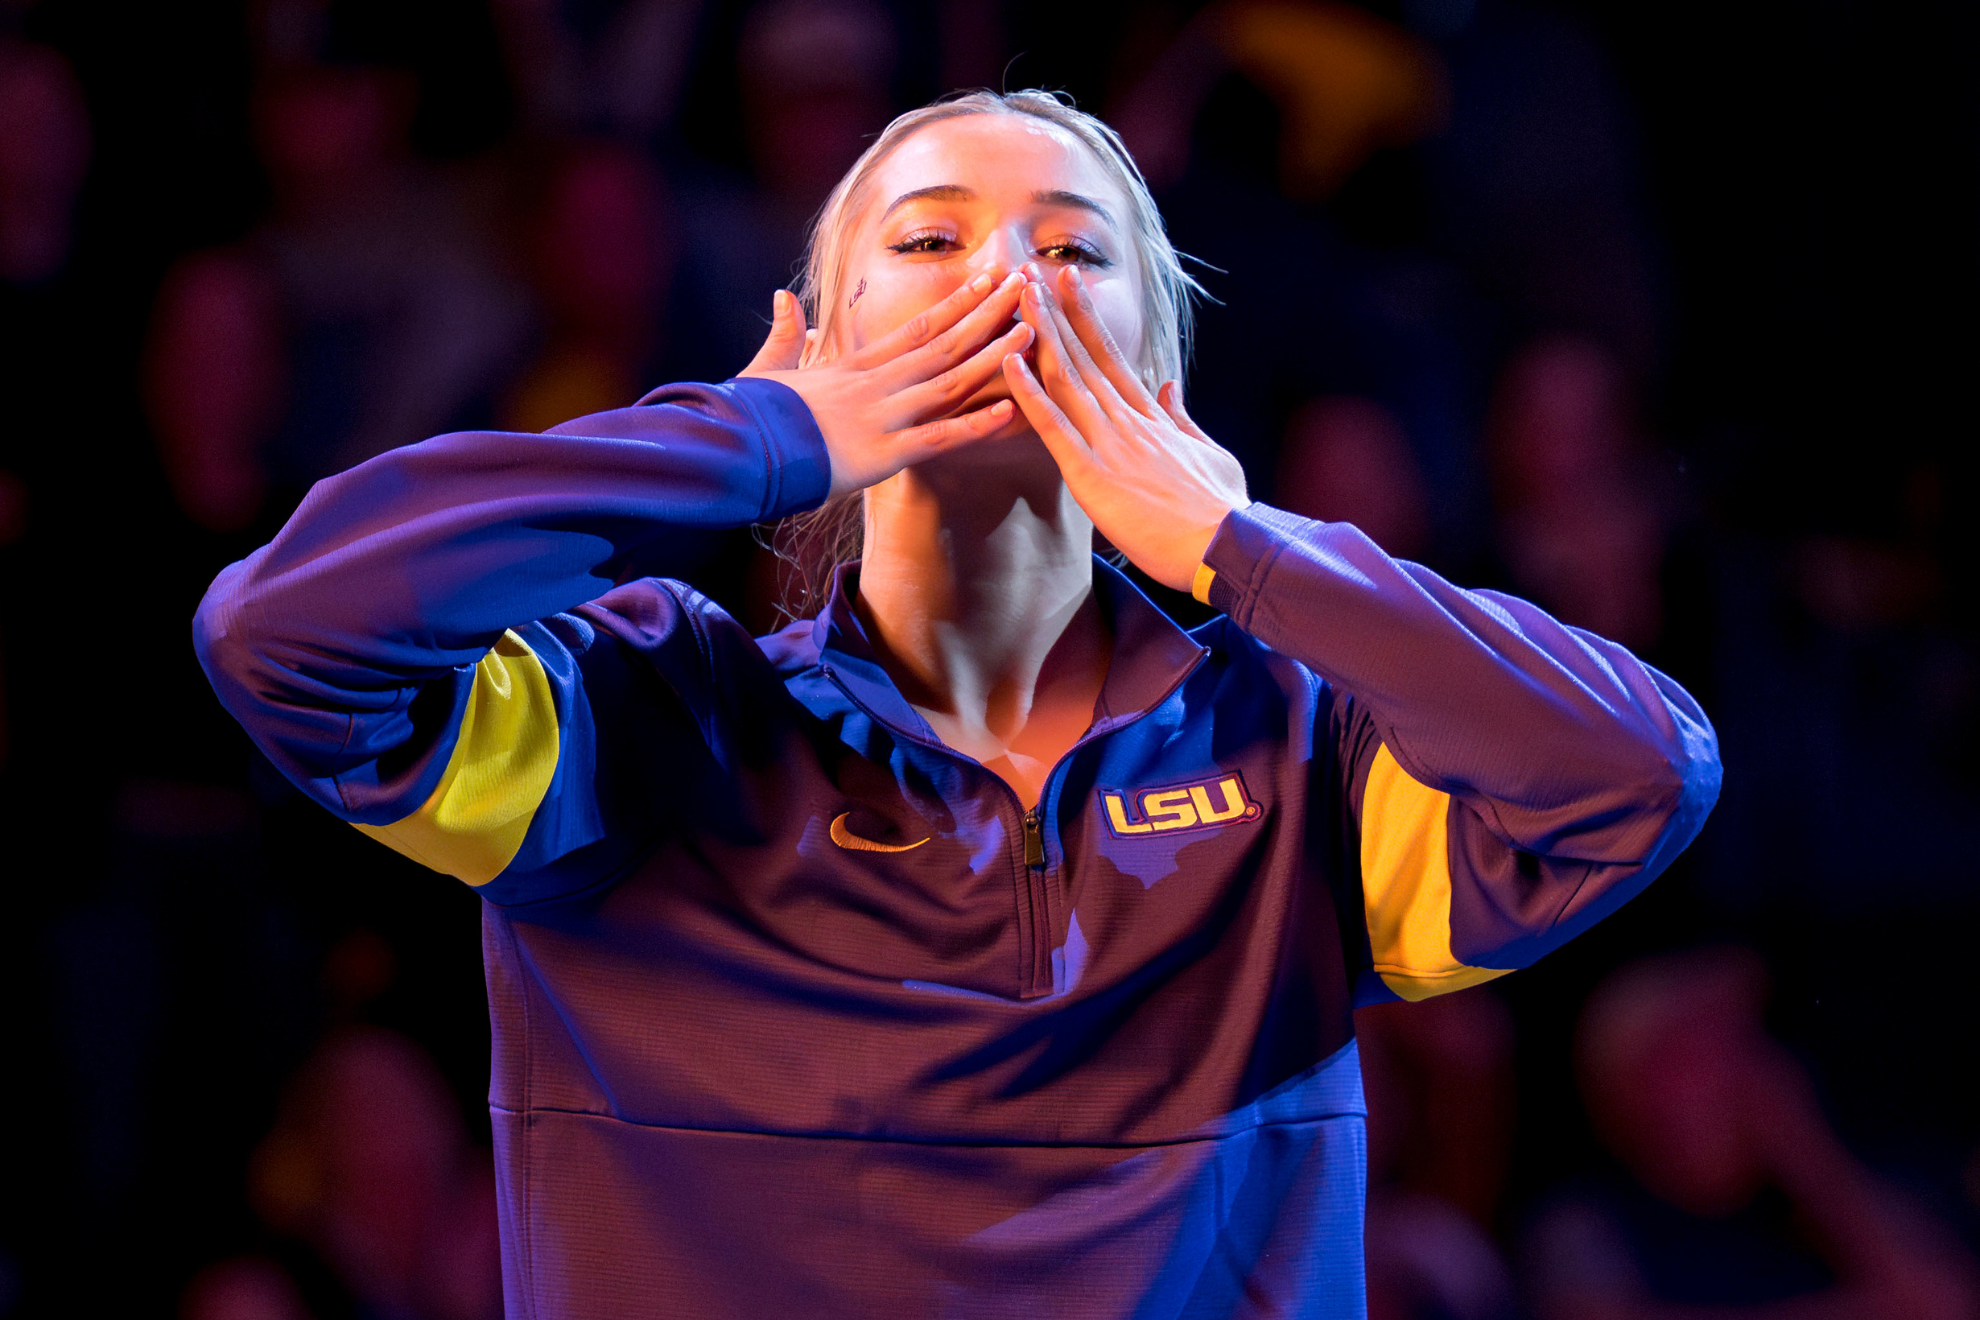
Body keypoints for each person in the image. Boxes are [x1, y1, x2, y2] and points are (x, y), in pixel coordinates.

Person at [194, 90, 1720, 1320]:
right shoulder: (645, 722)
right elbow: (286, 633)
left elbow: (1639, 772)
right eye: (931, 243)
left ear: (1162, 381)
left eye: (1076, 251)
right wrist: (743, 441)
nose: (1009, 280)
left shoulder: (1298, 751)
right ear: (820, 350)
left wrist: (1243, 551)